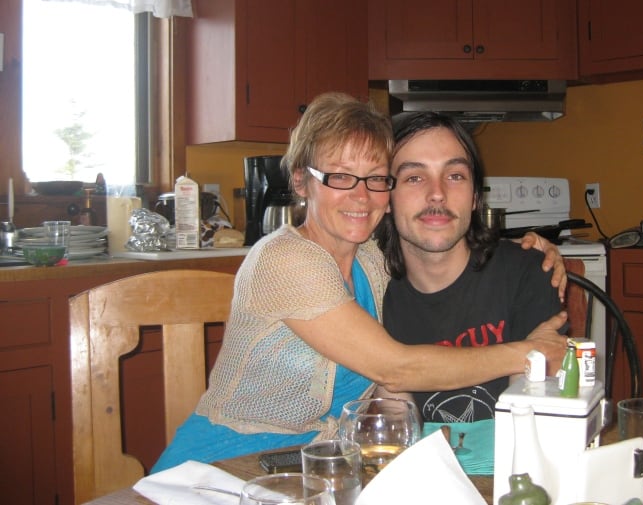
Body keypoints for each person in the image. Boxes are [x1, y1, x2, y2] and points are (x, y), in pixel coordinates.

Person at [152, 92, 567, 472]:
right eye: (340, 176)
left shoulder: (371, 261)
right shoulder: (284, 259)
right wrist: (529, 352)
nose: (361, 195)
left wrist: (532, 250)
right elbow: (396, 368)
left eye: (374, 177)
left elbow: (432, 245)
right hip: (217, 470)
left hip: (305, 474)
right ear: (301, 182)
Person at [375, 111, 566, 422]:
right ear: (386, 197)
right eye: (414, 177)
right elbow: (396, 420)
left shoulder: (527, 272)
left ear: (476, 196)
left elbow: (530, 407)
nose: (437, 192)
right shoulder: (370, 286)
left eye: (455, 176)